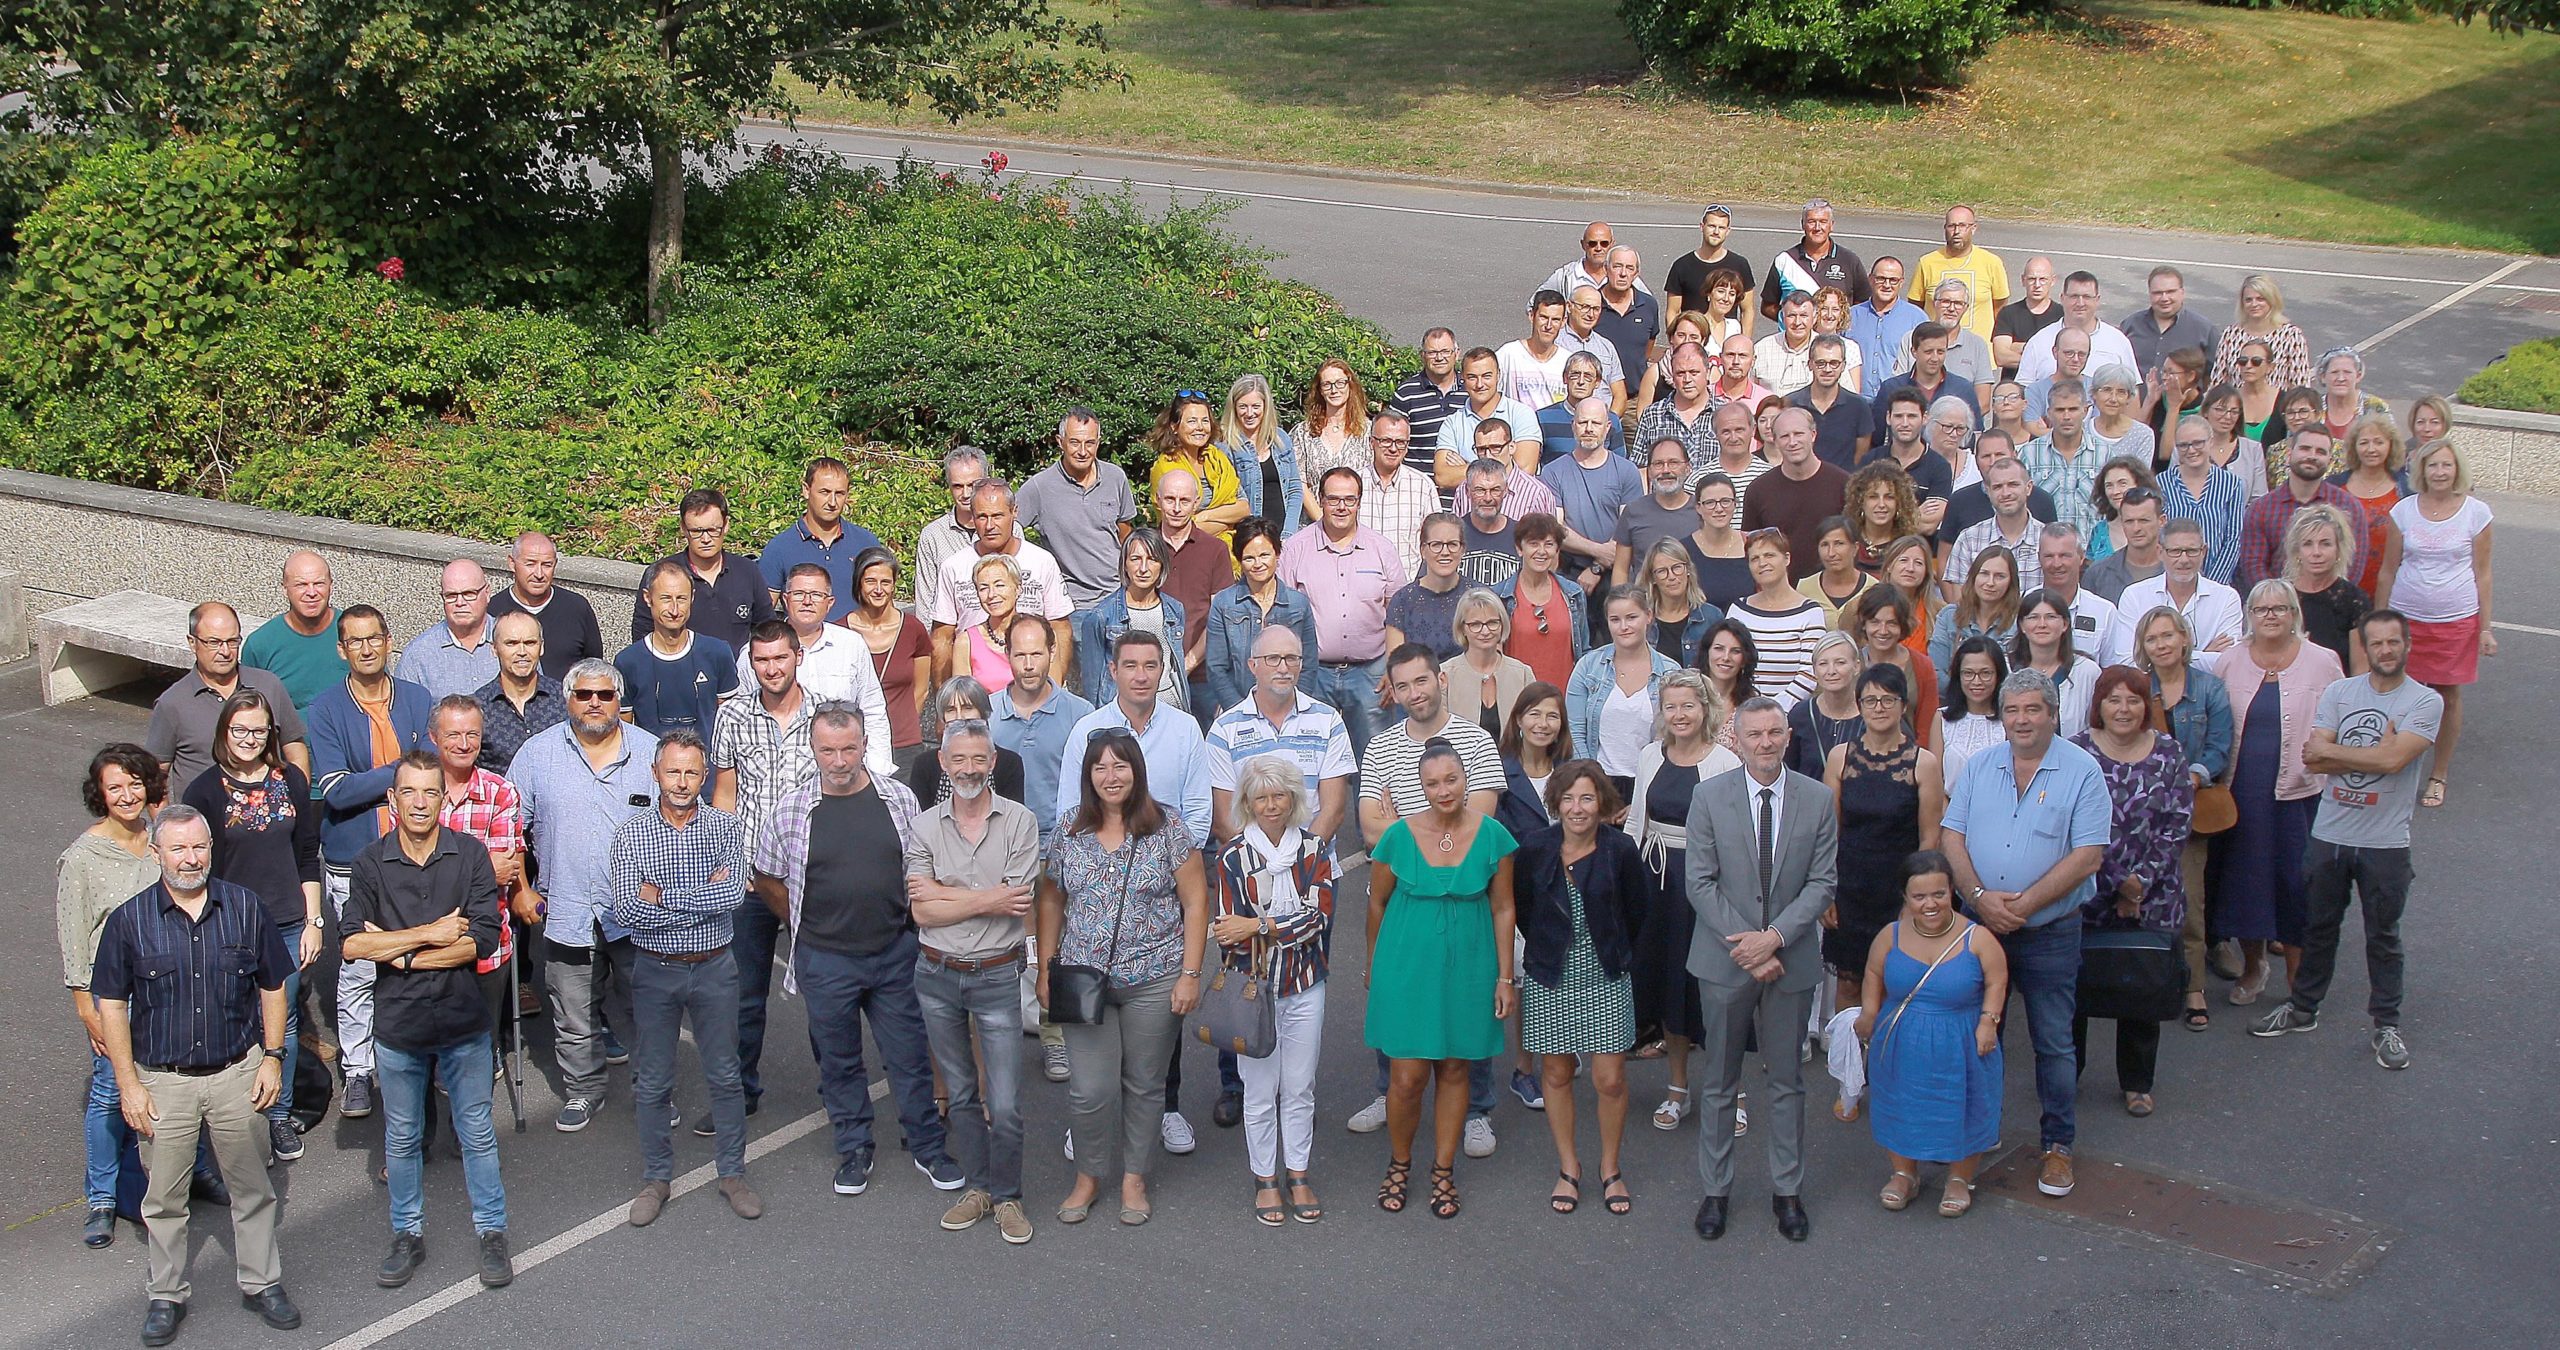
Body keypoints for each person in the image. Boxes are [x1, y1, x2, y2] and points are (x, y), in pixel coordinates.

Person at [90, 805, 302, 1345]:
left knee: (253, 1188)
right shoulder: (129, 921)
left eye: (199, 847)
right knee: (164, 1199)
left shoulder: (245, 908)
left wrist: (273, 1057)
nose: (191, 858)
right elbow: (111, 1005)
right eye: (178, 848)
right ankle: (166, 1295)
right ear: (157, 854)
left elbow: (274, 985)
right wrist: (128, 1084)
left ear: (212, 849)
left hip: (238, 1074)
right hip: (163, 1083)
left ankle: (262, 1282)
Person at [1940, 669, 2112, 1200]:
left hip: (2050, 930)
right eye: (2011, 710)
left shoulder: (2083, 771)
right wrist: (1979, 898)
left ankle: (2057, 1145)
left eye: (2032, 710)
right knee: (1979, 1034)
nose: (2021, 720)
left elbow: (2088, 855)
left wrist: (2023, 906)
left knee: (2053, 1040)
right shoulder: (1980, 766)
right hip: (1981, 927)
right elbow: (1952, 834)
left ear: (2053, 714)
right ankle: (1979, 1131)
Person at [342, 751, 512, 1289]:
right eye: (408, 792)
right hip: (400, 1027)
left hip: (463, 1023)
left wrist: (397, 952)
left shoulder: (471, 857)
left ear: (444, 799)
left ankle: (493, 1234)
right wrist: (428, 934)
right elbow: (351, 944)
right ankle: (406, 1235)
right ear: (392, 801)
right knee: (401, 1136)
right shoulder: (370, 863)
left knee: (478, 1133)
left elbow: (479, 941)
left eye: (429, 792)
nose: (419, 802)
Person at [1035, 727, 1208, 1227]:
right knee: (1090, 1090)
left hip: (1155, 976)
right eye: (1100, 767)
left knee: (1145, 1083)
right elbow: (1051, 897)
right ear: (1088, 775)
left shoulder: (1169, 828)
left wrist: (1190, 975)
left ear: (1138, 771)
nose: (1111, 777)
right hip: (1082, 979)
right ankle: (1089, 1177)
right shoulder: (1069, 829)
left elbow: (1196, 902)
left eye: (1121, 766)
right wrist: (1046, 967)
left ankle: (1134, 1177)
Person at [2255, 610, 2442, 1071]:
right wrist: (2377, 754)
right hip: (2331, 834)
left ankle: (2386, 1024)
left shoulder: (2425, 701)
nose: (2384, 650)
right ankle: (2303, 1009)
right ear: (2365, 648)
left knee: (2383, 935)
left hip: (2385, 842)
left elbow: (2396, 762)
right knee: (2318, 927)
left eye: (2392, 642)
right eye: (2376, 643)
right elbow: (2313, 758)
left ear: (2407, 645)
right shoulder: (2339, 692)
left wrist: (2355, 754)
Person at [1683, 697, 1838, 1243]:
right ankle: (1716, 1190)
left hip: (1790, 960)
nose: (1766, 743)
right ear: (1737, 740)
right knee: (1720, 1080)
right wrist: (1747, 945)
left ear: (1787, 737)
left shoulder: (1817, 799)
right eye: (1755, 735)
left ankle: (1786, 1190)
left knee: (1787, 1082)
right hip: (1724, 962)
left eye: (1775, 733)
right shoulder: (1708, 796)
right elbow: (1699, 881)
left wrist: (1773, 939)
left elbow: (1822, 883)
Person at [1349, 643, 1508, 1149]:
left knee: (1465, 994)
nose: (1414, 693)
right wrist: (1415, 830)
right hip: (1403, 889)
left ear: (1439, 679)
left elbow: (1480, 818)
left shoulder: (1475, 740)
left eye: (1421, 681)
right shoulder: (1380, 747)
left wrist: (1402, 822)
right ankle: (1390, 1088)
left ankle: (1477, 1109)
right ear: (1392, 693)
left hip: (1462, 887)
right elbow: (1369, 826)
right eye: (1403, 686)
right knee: (1401, 989)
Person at [608, 731, 765, 1225]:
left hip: (716, 968)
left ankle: (733, 1173)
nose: (681, 781)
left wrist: (665, 898)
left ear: (704, 776)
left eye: (692, 772)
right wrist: (698, 894)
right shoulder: (630, 834)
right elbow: (628, 909)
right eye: (672, 771)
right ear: (655, 774)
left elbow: (733, 898)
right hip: (655, 971)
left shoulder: (725, 828)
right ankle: (656, 1179)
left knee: (724, 1075)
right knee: (653, 1081)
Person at [903, 716, 1044, 1245]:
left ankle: (1009, 1197)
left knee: (1003, 1101)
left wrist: (946, 895)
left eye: (978, 760)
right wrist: (987, 899)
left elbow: (1020, 901)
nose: (968, 769)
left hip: (995, 976)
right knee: (961, 1093)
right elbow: (921, 913)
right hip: (936, 974)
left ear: (992, 764)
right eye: (958, 759)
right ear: (943, 762)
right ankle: (980, 1189)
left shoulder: (1020, 822)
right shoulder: (923, 826)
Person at [1365, 739, 1520, 1220]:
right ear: (1421, 786)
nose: (1443, 790)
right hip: (1406, 964)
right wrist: (1373, 965)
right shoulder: (1398, 836)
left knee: (1456, 1069)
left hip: (1471, 965)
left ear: (1465, 779)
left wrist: (1505, 976)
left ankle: (1443, 1169)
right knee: (1407, 1076)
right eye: (1432, 782)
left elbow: (1503, 906)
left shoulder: (1494, 835)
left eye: (1451, 779)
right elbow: (1376, 902)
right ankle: (1400, 1161)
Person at [59, 746, 205, 1251]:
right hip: (114, 1000)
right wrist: (86, 1008)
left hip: (173, 991)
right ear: (99, 794)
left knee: (189, 1083)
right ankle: (102, 1198)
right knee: (110, 1095)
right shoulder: (83, 858)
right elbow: (75, 941)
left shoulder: (163, 842)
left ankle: (197, 1173)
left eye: (134, 784)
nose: (126, 795)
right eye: (114, 787)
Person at [507, 658, 658, 1133]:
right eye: (584, 695)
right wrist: (522, 891)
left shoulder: (651, 753)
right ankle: (583, 1092)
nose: (595, 703)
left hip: (638, 913)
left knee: (646, 1010)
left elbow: (680, 826)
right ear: (567, 700)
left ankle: (652, 1094)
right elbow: (510, 831)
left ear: (619, 700)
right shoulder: (536, 754)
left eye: (605, 695)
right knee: (572, 1012)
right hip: (565, 907)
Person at [184, 693, 325, 1162]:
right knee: (230, 1021)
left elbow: (308, 856)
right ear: (224, 733)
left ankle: (277, 1116)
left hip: (284, 923)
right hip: (227, 924)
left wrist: (313, 921)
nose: (249, 739)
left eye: (259, 730)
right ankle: (233, 1120)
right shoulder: (204, 792)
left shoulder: (291, 782)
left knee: (279, 1023)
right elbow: (196, 866)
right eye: (239, 730)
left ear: (271, 734)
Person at [307, 604, 435, 1121]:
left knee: (419, 960)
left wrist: (392, 775)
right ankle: (358, 1070)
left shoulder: (418, 699)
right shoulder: (326, 709)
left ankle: (425, 1058)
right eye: (354, 641)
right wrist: (402, 771)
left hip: (415, 855)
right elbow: (336, 792)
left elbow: (432, 771)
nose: (365, 648)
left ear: (388, 642)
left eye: (374, 639)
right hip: (354, 860)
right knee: (359, 967)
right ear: (342, 650)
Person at [1211, 755, 1339, 1225]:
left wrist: (1260, 923)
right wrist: (1269, 926)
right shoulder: (1231, 858)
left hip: (1306, 986)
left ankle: (1298, 1173)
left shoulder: (1315, 850)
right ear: (1247, 802)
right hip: (1255, 992)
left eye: (1279, 796)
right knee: (1259, 1090)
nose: (1270, 805)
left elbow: (1319, 920)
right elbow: (1227, 930)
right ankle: (1266, 1178)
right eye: (1261, 797)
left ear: (1293, 800)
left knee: (1301, 1087)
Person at [1516, 761, 1645, 1216]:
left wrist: (1615, 954)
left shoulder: (1621, 850)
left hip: (1606, 975)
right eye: (1568, 798)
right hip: (1550, 975)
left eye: (1587, 798)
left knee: (1609, 1079)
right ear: (1556, 802)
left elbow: (1637, 911)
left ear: (1602, 803)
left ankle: (1610, 1167)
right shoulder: (1535, 848)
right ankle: (1569, 1166)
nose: (1577, 808)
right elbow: (1525, 911)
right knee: (1555, 1073)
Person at [2208, 582, 2344, 1008]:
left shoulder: (2322, 662)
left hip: (2299, 794)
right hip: (2242, 792)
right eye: (2262, 608)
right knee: (2247, 883)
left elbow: (2342, 714)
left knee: (2296, 883)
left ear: (2294, 614)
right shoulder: (2228, 661)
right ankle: (2254, 966)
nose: (2270, 616)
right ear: (2249, 614)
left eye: (2280, 609)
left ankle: (2298, 975)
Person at [706, 623, 817, 1129]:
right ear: (751, 662)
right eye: (761, 660)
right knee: (743, 995)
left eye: (780, 658)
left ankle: (838, 1092)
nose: (772, 669)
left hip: (809, 877)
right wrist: (724, 862)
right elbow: (724, 794)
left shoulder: (824, 715)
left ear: (798, 656)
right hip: (750, 880)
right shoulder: (731, 714)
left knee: (822, 990)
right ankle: (738, 1094)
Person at [1855, 850, 2007, 1219]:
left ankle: (1960, 1179)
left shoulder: (1978, 938)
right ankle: (1904, 1172)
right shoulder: (1889, 935)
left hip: (1963, 1039)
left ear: (1952, 891)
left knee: (1965, 1105)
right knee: (1900, 1103)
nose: (1930, 904)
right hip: (1901, 1040)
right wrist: (1870, 1013)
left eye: (1938, 894)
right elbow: (1873, 975)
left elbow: (1997, 978)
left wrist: (1989, 1020)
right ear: (1905, 898)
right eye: (1919, 896)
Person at [2069, 667, 2192, 1118]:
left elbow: (2177, 823)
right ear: (2099, 704)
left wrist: (2140, 884)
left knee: (2142, 983)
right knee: (2076, 989)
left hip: (2154, 892)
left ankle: (2137, 1082)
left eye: (2133, 700)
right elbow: (2073, 822)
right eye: (2114, 700)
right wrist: (2118, 879)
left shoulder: (2170, 753)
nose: (2123, 709)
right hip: (2088, 886)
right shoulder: (2077, 752)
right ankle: (2068, 1073)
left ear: (2146, 706)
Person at [1627, 672, 1742, 1134]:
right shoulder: (1649, 756)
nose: (1679, 715)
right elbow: (1637, 825)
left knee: (1715, 993)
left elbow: (1736, 838)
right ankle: (1677, 1090)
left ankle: (1732, 1093)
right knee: (1670, 987)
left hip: (1707, 885)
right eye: (1671, 707)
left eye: (1688, 706)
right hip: (1658, 885)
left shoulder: (1726, 762)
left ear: (1706, 710)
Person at [1824, 664, 1945, 1029]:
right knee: (1849, 981)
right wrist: (1826, 891)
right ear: (1859, 705)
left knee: (1896, 982)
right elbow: (1829, 831)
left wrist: (1917, 901)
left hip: (1898, 889)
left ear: (1902, 705)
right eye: (1870, 699)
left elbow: (1929, 841)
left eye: (1888, 699)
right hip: (1849, 887)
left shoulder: (1924, 763)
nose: (1879, 707)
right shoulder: (1840, 757)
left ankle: (1890, 1074)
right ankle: (1849, 1080)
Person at [2374, 437, 2493, 810]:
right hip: (2406, 619)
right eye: (2432, 466)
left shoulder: (2477, 513)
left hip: (2455, 621)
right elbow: (2388, 570)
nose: (2440, 472)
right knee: (2397, 694)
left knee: (2447, 696)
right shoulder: (2403, 511)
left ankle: (2438, 774)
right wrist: (2378, 624)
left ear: (2457, 469)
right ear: (2420, 471)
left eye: (2446, 465)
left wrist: (2486, 628)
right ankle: (2393, 764)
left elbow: (2483, 574)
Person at [2135, 607, 2233, 1032]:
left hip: (2190, 808)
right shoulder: (2137, 689)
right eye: (2152, 639)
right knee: (2140, 899)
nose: (2161, 645)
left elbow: (2219, 746)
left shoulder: (2210, 689)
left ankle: (2194, 986)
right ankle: (2145, 980)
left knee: (2190, 900)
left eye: (2167, 636)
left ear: (2184, 638)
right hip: (2142, 811)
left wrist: (2190, 775)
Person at [1278, 466, 1406, 760]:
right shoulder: (1296, 549)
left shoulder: (1381, 549)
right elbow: (1282, 614)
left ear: (1360, 502)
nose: (1341, 507)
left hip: (1370, 675)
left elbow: (1397, 613)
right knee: (1308, 761)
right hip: (1312, 674)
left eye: (1350, 499)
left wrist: (1393, 666)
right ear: (1320, 500)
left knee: (1374, 763)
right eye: (1333, 499)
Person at [1205, 625, 1354, 856]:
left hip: (1313, 868)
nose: (1284, 668)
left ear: (1301, 665)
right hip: (1251, 872)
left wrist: (1301, 862)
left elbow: (1333, 811)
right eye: (1273, 659)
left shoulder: (1328, 721)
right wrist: (1264, 866)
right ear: (1252, 665)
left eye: (1291, 658)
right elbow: (1224, 820)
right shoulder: (1224, 730)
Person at [928, 480, 1076, 689]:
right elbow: (942, 637)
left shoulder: (1041, 561)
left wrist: (1055, 689)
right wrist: (945, 702)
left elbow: (1060, 628)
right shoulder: (953, 566)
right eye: (982, 517)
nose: (990, 526)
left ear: (1013, 512)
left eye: (997, 516)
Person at [148, 602, 310, 793]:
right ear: (192, 643)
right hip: (204, 819)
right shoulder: (172, 703)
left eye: (232, 642)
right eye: (214, 643)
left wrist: (297, 801)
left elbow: (295, 747)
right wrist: (168, 821)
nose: (225, 652)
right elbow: (155, 776)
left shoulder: (269, 686)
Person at [746, 563, 893, 767]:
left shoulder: (851, 645)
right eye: (799, 594)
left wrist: (877, 768)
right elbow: (742, 713)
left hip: (841, 769)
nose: (807, 601)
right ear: (785, 600)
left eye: (816, 594)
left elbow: (873, 710)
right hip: (777, 771)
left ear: (830, 602)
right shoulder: (757, 651)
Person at [624, 487, 775, 650]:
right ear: (683, 528)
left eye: (712, 530)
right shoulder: (662, 575)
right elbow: (642, 635)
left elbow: (768, 630)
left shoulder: (747, 571)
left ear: (726, 526)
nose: (705, 539)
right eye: (696, 531)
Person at [1017, 412, 1141, 610]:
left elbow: (1125, 534)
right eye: (1075, 442)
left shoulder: (1115, 478)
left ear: (1098, 443)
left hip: (1119, 597)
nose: (1082, 451)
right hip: (1073, 605)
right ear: (1061, 442)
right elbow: (1009, 529)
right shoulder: (1039, 487)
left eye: (1089, 443)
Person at [1203, 518, 1322, 715]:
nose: (1258, 564)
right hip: (1239, 711)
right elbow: (1216, 668)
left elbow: (1308, 664)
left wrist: (1294, 709)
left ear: (1277, 554)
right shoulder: (1223, 604)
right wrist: (1241, 711)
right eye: (1249, 558)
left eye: (1264, 555)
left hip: (1291, 712)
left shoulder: (1298, 604)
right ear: (1239, 559)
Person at [1567, 590, 1681, 795]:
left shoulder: (1670, 672)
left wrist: (1646, 794)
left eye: (1631, 617)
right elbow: (1575, 731)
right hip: (1596, 781)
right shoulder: (1588, 666)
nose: (1624, 627)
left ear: (1648, 616)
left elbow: (1675, 739)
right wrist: (1591, 783)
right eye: (1615, 620)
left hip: (1651, 782)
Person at [616, 561, 738, 747]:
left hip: (708, 768)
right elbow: (623, 731)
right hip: (652, 768)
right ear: (648, 598)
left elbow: (731, 722)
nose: (674, 610)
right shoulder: (628, 662)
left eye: (681, 599)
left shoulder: (717, 653)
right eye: (666, 598)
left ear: (692, 597)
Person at [1540, 397, 1645, 606]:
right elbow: (1556, 528)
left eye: (1595, 423)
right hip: (1567, 572)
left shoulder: (1626, 471)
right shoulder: (1552, 472)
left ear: (1607, 428)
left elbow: (1630, 530)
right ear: (1573, 426)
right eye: (1583, 422)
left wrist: (1597, 567)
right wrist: (1599, 552)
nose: (1589, 429)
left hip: (1618, 574)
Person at [1154, 471, 1244, 716]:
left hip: (1203, 675)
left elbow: (1220, 615)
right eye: (1170, 499)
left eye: (1184, 501)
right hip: (1151, 675)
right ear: (1157, 500)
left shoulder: (1214, 550)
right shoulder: (1143, 548)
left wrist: (1189, 662)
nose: (1176, 508)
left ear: (1196, 503)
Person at [1071, 529, 1189, 710]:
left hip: (1170, 706)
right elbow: (1092, 684)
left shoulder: (1175, 610)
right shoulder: (1100, 617)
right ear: (1125, 564)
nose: (1143, 568)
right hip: (1123, 711)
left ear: (1162, 565)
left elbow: (1175, 667)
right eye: (1135, 559)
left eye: (1152, 559)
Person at [2238, 427, 2367, 593]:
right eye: (2305, 448)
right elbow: (2253, 565)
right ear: (2289, 453)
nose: (2312, 456)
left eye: (2320, 452)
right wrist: (2281, 601)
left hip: (2333, 607)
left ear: (2329, 460)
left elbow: (2354, 564)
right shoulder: (2261, 509)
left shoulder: (2348, 507)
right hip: (2276, 607)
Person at [755, 457, 881, 620]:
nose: (832, 502)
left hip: (856, 642)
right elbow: (763, 616)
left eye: (840, 494)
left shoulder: (866, 543)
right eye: (825, 492)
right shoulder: (779, 548)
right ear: (806, 490)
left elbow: (884, 607)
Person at [2104, 518, 2245, 661]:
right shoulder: (2134, 596)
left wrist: (2157, 656)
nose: (2184, 559)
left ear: (2203, 551)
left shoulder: (2226, 598)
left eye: (2191, 551)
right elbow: (2126, 661)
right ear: (2160, 552)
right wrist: (2202, 654)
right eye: (2175, 551)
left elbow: (2228, 662)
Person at [846, 548, 936, 773]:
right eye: (870, 581)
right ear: (859, 583)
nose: (878, 590)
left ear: (894, 584)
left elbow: (922, 689)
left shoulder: (913, 629)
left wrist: (902, 726)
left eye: (885, 582)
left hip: (903, 743)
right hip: (852, 745)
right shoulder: (839, 632)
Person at [1742, 408, 1851, 582]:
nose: (1792, 442)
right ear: (1775, 441)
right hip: (1779, 591)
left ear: (1813, 435)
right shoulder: (1758, 490)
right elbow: (1752, 547)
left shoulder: (1843, 484)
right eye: (1784, 436)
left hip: (1833, 588)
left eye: (1798, 434)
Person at [488, 531, 605, 679]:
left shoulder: (577, 608)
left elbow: (595, 666)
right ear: (512, 563)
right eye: (530, 564)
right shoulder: (493, 611)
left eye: (547, 565)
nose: (539, 574)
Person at [242, 549, 347, 713]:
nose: (311, 592)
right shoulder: (260, 644)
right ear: (285, 588)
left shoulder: (355, 632)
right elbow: (249, 711)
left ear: (330, 586)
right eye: (301, 585)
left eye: (319, 583)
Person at [1495, 512, 1590, 690]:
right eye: (1533, 544)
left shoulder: (1574, 594)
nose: (1541, 551)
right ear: (1519, 548)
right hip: (1517, 701)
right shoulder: (1499, 597)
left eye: (1549, 544)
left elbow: (1584, 652)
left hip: (1564, 704)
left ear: (1557, 550)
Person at [904, 677, 1027, 808]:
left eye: (967, 708)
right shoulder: (924, 765)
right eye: (950, 710)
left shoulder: (1010, 763)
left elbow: (1014, 818)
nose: (959, 717)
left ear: (983, 713)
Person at [1939, 456, 2044, 605]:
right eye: (1997, 487)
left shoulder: (2047, 540)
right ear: (1988, 491)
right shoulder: (1968, 540)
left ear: (2028, 488)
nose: (2006, 493)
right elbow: (1961, 605)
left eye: (2013, 484)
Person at [1145, 392, 1249, 538]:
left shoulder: (1218, 459)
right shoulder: (1165, 468)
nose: (1200, 427)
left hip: (1230, 550)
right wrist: (1227, 523)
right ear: (1174, 427)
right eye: (1192, 421)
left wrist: (1205, 516)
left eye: (1205, 421)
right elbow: (1179, 530)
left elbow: (1244, 508)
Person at [475, 611, 567, 777]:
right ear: (494, 649)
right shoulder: (477, 707)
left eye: (530, 642)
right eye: (512, 643)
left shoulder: (565, 699)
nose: (522, 651)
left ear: (542, 646)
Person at [1610, 438, 1704, 596]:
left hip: (1695, 608)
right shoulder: (1633, 511)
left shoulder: (1702, 511)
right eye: (1658, 464)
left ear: (1688, 468)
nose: (1666, 470)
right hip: (1646, 609)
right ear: (1649, 471)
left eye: (1673, 463)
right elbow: (1621, 569)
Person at [2285, 503, 2372, 670]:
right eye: (2308, 544)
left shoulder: (2354, 600)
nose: (2316, 552)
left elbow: (2359, 672)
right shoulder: (2282, 597)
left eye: (2325, 544)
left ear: (2338, 550)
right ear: (2297, 551)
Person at [2330, 413, 2408, 598]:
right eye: (2364, 442)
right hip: (2343, 587)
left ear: (2391, 445)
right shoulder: (2334, 487)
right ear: (2354, 447)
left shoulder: (2406, 488)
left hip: (2395, 589)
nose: (2371, 449)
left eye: (2378, 442)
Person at [2160, 417, 2247, 584]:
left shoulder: (2231, 484)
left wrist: (2213, 584)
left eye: (2198, 443)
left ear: (2211, 441)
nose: (2191, 450)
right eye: (2183, 445)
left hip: (2219, 580)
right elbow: (2159, 535)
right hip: (2174, 579)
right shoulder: (2162, 484)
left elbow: (2234, 537)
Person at [2015, 271, 2138, 387]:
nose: (2080, 303)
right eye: (2074, 296)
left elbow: (2133, 391)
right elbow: (2023, 390)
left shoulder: (2118, 341)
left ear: (2097, 300)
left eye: (2087, 297)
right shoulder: (2039, 341)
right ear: (2062, 298)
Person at [1852, 585, 1939, 748]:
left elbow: (1928, 727)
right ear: (1864, 624)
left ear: (1903, 625)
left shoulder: (1922, 666)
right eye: (1875, 622)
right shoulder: (1851, 664)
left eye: (1892, 623)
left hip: (1909, 759)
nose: (1883, 631)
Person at [1433, 347, 1543, 474]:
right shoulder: (1452, 423)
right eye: (1472, 377)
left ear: (1498, 375)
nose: (1479, 384)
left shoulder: (1522, 414)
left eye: (1486, 376)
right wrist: (1504, 465)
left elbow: (1525, 470)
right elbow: (1442, 476)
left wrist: (1471, 468)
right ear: (1462, 378)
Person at [1224, 373, 1308, 535]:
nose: (1249, 413)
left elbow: (1294, 489)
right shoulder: (1226, 447)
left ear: (1265, 406)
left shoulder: (1280, 439)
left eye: (1256, 406)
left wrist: (1288, 533)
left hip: (1285, 533)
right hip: (1249, 536)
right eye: (1243, 407)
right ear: (1234, 408)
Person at [2010, 590, 2101, 738]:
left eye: (2051, 617)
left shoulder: (2087, 671)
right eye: (2033, 617)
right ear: (2022, 625)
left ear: (2065, 624)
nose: (2042, 624)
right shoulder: (2007, 668)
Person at [1451, 588, 1537, 739]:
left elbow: (1534, 728)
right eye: (1475, 624)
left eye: (1492, 623)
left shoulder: (1523, 673)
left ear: (1502, 624)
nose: (1485, 631)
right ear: (1462, 628)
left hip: (1514, 761)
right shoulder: (1445, 674)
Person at [1760, 199, 1867, 319]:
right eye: (1811, 222)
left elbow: (1863, 304)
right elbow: (1767, 306)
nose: (1817, 227)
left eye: (1823, 222)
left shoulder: (1850, 261)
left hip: (1836, 337)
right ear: (1802, 224)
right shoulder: (1784, 261)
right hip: (1796, 337)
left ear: (1831, 225)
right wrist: (1793, 320)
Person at [1387, 512, 1470, 662]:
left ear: (1462, 549)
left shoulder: (1479, 597)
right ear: (1423, 550)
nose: (1445, 552)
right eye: (1436, 545)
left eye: (1452, 544)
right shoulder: (1402, 601)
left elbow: (1492, 661)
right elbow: (1395, 667)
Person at [1930, 638, 2010, 792]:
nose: (1976, 681)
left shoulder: (2008, 719)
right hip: (1949, 810)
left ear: (1998, 675)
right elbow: (1934, 782)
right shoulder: (1941, 719)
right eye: (1968, 673)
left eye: (1985, 673)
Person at [2036, 524, 2118, 669]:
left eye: (2065, 556)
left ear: (2081, 557)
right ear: (2039, 558)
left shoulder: (2104, 611)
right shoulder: (2024, 605)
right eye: (2049, 556)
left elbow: (2112, 671)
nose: (2056, 564)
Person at [1786, 632, 1864, 780]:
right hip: (1811, 801)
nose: (1831, 671)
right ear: (1814, 670)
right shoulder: (1800, 715)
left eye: (1840, 662)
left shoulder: (1873, 713)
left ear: (1856, 666)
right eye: (1823, 664)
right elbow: (1789, 771)